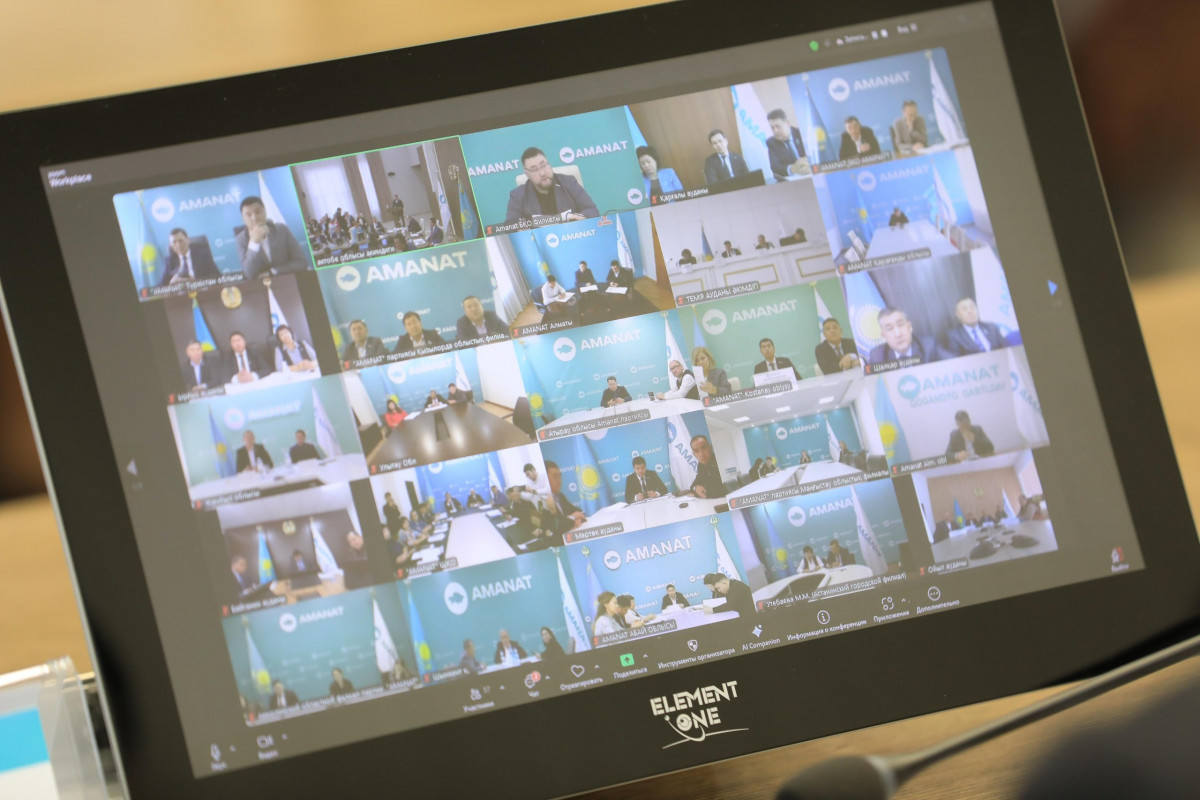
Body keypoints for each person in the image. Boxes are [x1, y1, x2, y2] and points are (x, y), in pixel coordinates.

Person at [505, 147, 599, 224]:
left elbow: (592, 210)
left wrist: (579, 217)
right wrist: (522, 227)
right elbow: (510, 225)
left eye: (543, 165)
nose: (542, 173)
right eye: (535, 169)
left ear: (549, 164)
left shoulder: (569, 182)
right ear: (527, 173)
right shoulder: (518, 196)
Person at [236, 195, 308, 278]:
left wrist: (273, 271)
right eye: (249, 215)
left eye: (258, 212)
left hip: (287, 279)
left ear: (265, 211)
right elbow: (249, 274)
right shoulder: (241, 239)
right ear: (243, 219)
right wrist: (254, 243)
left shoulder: (281, 229)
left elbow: (301, 262)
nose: (254, 218)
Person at [939, 297, 1009, 357]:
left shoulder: (991, 328)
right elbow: (955, 361)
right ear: (958, 315)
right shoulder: (954, 336)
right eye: (964, 309)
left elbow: (1007, 349)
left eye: (972, 307)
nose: (970, 311)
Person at [869, 307, 938, 365]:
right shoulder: (877, 356)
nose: (898, 334)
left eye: (900, 325)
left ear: (910, 327)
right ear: (884, 336)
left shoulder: (929, 346)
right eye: (890, 329)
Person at [543, 460, 587, 532]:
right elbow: (552, 528)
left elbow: (579, 512)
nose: (559, 480)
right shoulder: (542, 501)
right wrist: (573, 517)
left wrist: (578, 519)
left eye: (559, 476)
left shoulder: (560, 496)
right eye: (555, 476)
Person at [766, 108, 808, 181]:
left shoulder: (802, 133)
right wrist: (792, 169)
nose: (775, 131)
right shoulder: (772, 143)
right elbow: (775, 168)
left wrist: (809, 165)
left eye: (778, 126)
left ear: (787, 123)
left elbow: (817, 155)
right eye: (772, 128)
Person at [689, 435, 726, 499]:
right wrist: (696, 488)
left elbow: (718, 491)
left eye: (704, 448)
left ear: (710, 448)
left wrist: (698, 492)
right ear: (694, 454)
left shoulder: (720, 461)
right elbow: (695, 484)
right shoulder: (701, 465)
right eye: (696, 451)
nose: (701, 454)